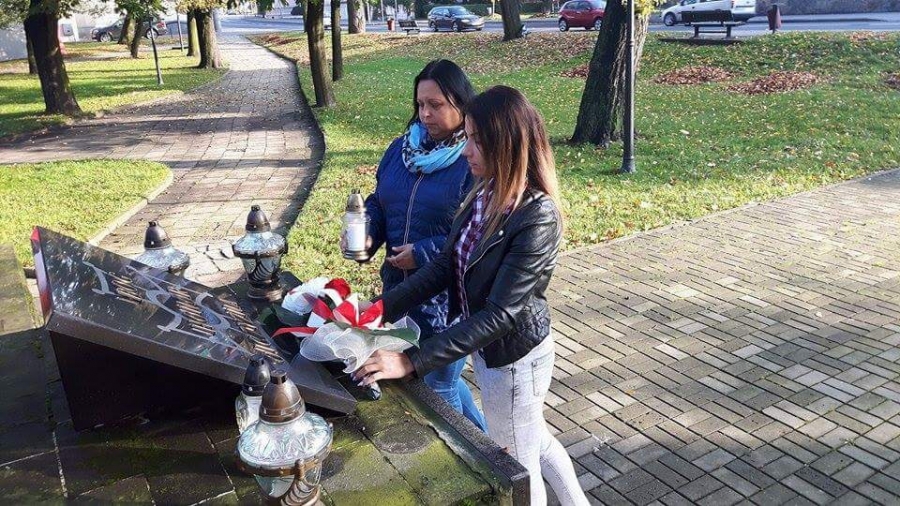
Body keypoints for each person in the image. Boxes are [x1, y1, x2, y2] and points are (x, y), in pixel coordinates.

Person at [352, 86, 590, 506]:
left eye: (477, 140)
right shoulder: (485, 193)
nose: (466, 151)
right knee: (535, 440)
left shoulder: (536, 216)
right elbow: (445, 266)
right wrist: (381, 308)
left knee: (518, 468)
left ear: (507, 144)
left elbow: (501, 314)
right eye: (469, 138)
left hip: (514, 359)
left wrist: (410, 361)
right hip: (492, 350)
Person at [345, 59, 487, 431]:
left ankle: (485, 458)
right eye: (420, 104)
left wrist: (422, 254)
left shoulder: (473, 160)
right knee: (444, 382)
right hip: (400, 292)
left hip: (446, 303)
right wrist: (368, 232)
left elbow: (479, 232)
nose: (425, 114)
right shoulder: (401, 150)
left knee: (438, 388)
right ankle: (494, 447)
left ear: (461, 104)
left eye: (435, 105)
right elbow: (380, 201)